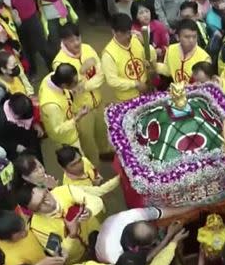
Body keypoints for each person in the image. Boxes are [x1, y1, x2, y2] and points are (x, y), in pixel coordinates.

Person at [53, 22, 110, 164]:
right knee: (88, 141)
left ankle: (105, 151)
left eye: (78, 37)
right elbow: (72, 90)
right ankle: (93, 167)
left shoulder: (88, 48)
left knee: (102, 130)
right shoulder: (59, 63)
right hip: (82, 110)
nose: (77, 43)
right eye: (71, 40)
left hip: (98, 100)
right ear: (63, 41)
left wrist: (84, 82)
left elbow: (101, 73)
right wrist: (82, 71)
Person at [15, 182, 104, 265]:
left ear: (46, 190)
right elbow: (59, 253)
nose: (48, 203)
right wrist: (71, 235)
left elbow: (97, 201)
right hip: (80, 261)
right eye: (39, 206)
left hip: (97, 235)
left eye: (45, 197)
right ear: (34, 212)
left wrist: (89, 211)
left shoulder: (65, 191)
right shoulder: (37, 228)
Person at [38, 63, 91, 161]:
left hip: (69, 119)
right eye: (74, 84)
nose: (76, 85)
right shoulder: (51, 105)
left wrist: (71, 92)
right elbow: (58, 129)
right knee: (79, 160)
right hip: (66, 138)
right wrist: (77, 117)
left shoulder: (50, 77)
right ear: (64, 85)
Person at [102, 14, 155, 103]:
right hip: (127, 99)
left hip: (147, 90)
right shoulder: (108, 54)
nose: (127, 36)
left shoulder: (136, 39)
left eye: (129, 32)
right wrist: (135, 84)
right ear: (114, 32)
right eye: (123, 33)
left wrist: (145, 43)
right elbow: (112, 81)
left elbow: (151, 58)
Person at [0, 92, 44, 160]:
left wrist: (35, 123)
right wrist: (15, 147)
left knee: (39, 159)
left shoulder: (22, 102)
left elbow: (31, 115)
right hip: (18, 147)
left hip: (30, 137)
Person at [161, 18, 211, 84]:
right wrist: (154, 65)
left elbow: (206, 84)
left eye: (194, 37)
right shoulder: (171, 49)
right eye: (187, 37)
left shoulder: (204, 58)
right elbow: (167, 70)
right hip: (176, 91)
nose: (191, 40)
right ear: (177, 37)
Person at [0, 50, 34, 115]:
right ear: (3, 70)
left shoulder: (15, 75)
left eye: (16, 63)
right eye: (13, 65)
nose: (17, 67)